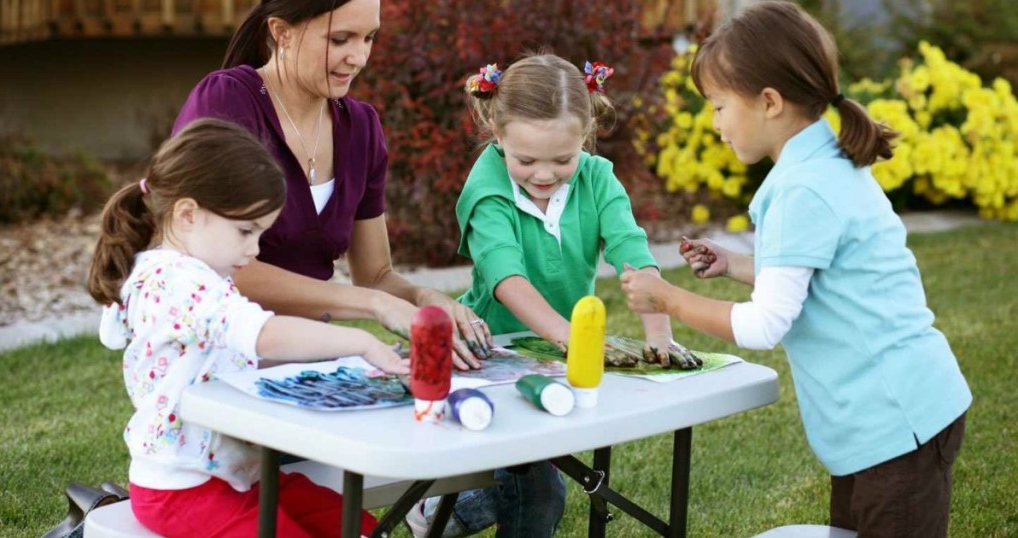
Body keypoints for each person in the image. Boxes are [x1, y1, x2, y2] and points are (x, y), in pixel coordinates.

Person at [620, 3, 972, 536]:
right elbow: (819, 272)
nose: (714, 124)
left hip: (898, 421)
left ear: (768, 102)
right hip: (884, 419)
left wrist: (666, 298)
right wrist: (737, 263)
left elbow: (765, 326)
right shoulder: (822, 163)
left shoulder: (801, 188)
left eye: (718, 106)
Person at [405, 54, 695, 538]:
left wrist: (659, 333)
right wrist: (568, 337)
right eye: (526, 160)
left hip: (558, 356)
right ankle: (439, 511)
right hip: (489, 354)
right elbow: (506, 278)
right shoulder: (487, 189)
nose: (544, 174)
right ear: (498, 136)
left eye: (563, 159)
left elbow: (631, 252)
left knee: (534, 479)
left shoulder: (598, 177)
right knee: (538, 487)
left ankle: (441, 511)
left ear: (585, 136)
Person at [87, 118, 410, 537]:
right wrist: (363, 342)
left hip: (239, 479)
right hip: (182, 489)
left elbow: (247, 352)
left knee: (353, 524)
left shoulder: (201, 276)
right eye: (245, 231)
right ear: (187, 215)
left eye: (260, 233)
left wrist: (348, 364)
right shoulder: (176, 283)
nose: (254, 249)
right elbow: (264, 334)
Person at [171, 0, 492, 370]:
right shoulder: (227, 101)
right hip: (217, 359)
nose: (358, 57)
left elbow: (374, 276)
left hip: (307, 360)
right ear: (281, 32)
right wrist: (373, 305)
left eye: (369, 37)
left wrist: (421, 296)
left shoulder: (362, 129)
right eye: (340, 39)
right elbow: (221, 266)